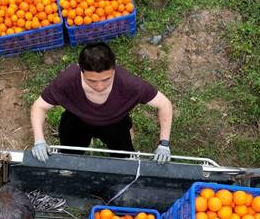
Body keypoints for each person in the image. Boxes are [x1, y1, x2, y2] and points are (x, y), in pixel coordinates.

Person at [30, 42, 174, 164]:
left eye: (106, 79)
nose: (99, 86)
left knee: (124, 160)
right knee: (70, 156)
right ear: (80, 69)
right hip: (77, 121)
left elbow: (164, 104)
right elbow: (39, 106)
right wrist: (39, 140)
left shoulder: (130, 84)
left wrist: (164, 144)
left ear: (114, 67)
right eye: (91, 81)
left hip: (116, 123)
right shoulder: (67, 81)